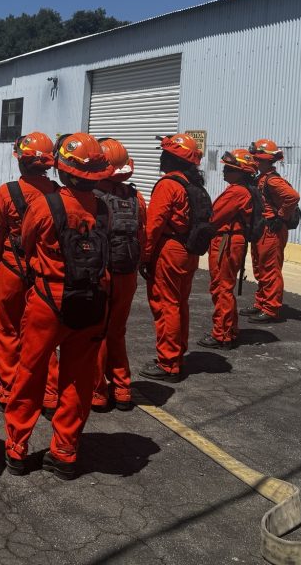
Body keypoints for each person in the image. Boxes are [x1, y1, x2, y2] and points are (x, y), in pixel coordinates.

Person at [3, 133, 112, 481]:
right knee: (78, 380)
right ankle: (65, 451)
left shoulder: (47, 205)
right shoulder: (104, 208)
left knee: (30, 373)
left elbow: (28, 242)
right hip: (93, 301)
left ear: (63, 170)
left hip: (48, 301)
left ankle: (16, 449)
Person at [0, 132, 57, 411]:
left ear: (21, 161)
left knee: (7, 329)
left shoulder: (7, 192)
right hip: (45, 272)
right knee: (43, 334)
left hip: (12, 269)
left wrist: (4, 261)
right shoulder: (56, 193)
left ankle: (7, 390)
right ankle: (50, 394)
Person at [138, 134, 209, 383]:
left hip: (169, 251)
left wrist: (144, 257)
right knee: (179, 303)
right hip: (188, 251)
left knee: (166, 305)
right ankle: (177, 355)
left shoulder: (168, 184)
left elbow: (153, 226)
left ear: (170, 158)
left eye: (164, 153)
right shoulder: (193, 184)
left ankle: (168, 363)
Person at [91, 137, 146, 411]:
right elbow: (142, 233)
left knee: (97, 331)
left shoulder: (92, 197)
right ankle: (122, 389)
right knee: (117, 331)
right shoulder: (136, 197)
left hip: (103, 273)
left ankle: (98, 392)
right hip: (128, 272)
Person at [199, 148, 257, 349]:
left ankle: (222, 334)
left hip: (226, 242)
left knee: (221, 287)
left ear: (241, 172)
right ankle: (229, 329)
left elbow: (214, 217)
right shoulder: (242, 190)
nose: (225, 172)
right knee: (225, 287)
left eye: (230, 169)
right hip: (231, 240)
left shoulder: (237, 192)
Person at [241, 138, 301, 323]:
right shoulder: (263, 178)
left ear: (266, 160)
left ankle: (271, 308)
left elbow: (293, 197)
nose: (255, 162)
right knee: (260, 268)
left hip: (271, 230)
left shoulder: (272, 181)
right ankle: (261, 303)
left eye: (258, 159)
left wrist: (280, 216)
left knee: (270, 270)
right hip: (263, 229)